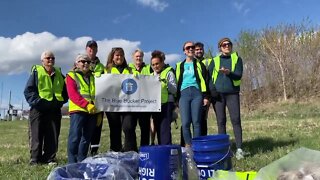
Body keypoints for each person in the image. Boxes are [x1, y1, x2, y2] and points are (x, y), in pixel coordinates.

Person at [24, 50, 68, 165]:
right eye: (48, 58)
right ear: (42, 61)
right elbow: (29, 91)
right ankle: (35, 159)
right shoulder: (36, 73)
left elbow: (66, 91)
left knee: (52, 135)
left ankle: (49, 158)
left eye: (52, 58)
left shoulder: (59, 74)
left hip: (54, 110)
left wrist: (60, 102)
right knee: (36, 135)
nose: (50, 60)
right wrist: (39, 102)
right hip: (38, 109)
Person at [208, 37, 244, 159]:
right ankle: (223, 150)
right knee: (221, 121)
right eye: (224, 45)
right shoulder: (215, 60)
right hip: (218, 95)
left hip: (232, 93)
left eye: (228, 44)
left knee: (236, 120)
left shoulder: (237, 59)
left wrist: (229, 73)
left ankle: (239, 149)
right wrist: (213, 92)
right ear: (220, 47)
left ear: (231, 46)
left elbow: (239, 75)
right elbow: (209, 78)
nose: (227, 46)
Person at [176, 41, 210, 147]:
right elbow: (176, 82)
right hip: (183, 94)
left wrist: (205, 96)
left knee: (197, 122)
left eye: (192, 47)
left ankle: (197, 147)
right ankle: (188, 147)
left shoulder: (200, 64)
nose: (190, 49)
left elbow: (204, 80)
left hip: (197, 94)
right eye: (188, 48)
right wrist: (176, 98)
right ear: (184, 51)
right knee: (185, 123)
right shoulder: (179, 66)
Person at [66, 54, 97, 163]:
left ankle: (81, 160)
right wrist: (86, 105)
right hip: (78, 110)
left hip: (92, 111)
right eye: (83, 61)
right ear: (76, 63)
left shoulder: (93, 76)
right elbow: (73, 95)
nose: (85, 63)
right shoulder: (71, 75)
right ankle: (72, 162)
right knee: (75, 137)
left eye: (88, 62)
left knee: (86, 138)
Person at [105, 47, 137, 152]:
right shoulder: (107, 70)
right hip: (112, 104)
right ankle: (115, 151)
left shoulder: (130, 70)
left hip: (128, 104)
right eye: (117, 55)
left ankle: (130, 151)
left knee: (129, 127)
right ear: (113, 57)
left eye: (121, 55)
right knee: (115, 129)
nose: (119, 57)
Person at [150, 50, 177, 145]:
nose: (155, 66)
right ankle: (161, 149)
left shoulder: (169, 72)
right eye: (153, 65)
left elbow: (174, 90)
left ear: (162, 62)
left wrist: (165, 81)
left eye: (157, 63)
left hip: (167, 104)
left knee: (164, 128)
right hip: (155, 105)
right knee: (157, 127)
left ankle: (167, 150)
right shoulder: (150, 76)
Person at [128, 49, 152, 146]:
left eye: (140, 56)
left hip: (144, 103)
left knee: (145, 127)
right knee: (130, 127)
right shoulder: (128, 68)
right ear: (133, 57)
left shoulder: (148, 68)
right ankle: (133, 149)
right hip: (131, 103)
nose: (138, 58)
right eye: (137, 56)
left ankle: (145, 148)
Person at [86, 40, 104, 156]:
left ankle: (94, 152)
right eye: (90, 47)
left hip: (99, 103)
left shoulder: (102, 66)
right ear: (87, 49)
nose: (92, 49)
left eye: (94, 47)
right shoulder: (80, 63)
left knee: (97, 128)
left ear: (97, 49)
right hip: (85, 103)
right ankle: (83, 152)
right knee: (85, 129)